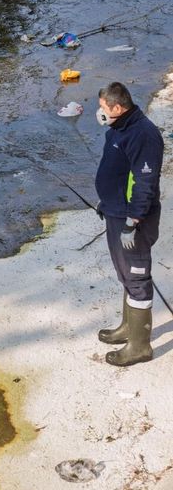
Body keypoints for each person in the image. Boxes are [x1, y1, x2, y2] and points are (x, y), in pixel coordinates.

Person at [95, 82, 163, 366]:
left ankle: (139, 346)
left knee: (137, 278)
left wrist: (132, 221)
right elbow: (118, 173)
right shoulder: (119, 128)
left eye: (103, 108)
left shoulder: (143, 135)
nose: (100, 113)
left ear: (118, 107)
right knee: (125, 274)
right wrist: (106, 202)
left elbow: (143, 183)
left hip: (132, 221)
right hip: (116, 212)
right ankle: (127, 328)